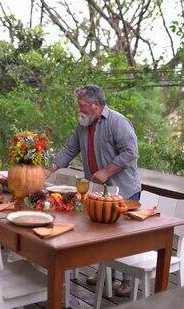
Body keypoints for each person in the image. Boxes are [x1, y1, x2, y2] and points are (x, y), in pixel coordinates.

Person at [50, 84, 141, 297]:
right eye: (78, 106)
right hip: (99, 191)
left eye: (82, 106)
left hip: (124, 189)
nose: (78, 110)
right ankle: (106, 274)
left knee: (122, 235)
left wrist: (107, 170)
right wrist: (51, 168)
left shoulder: (117, 122)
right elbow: (70, 149)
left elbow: (131, 152)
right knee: (101, 233)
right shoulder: (83, 125)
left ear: (96, 105)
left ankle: (126, 280)